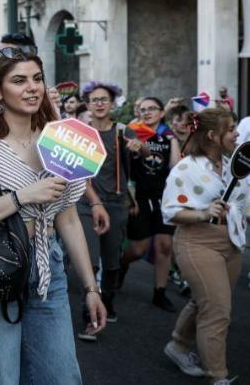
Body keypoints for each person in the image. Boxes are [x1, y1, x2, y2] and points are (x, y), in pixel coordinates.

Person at [0, 46, 106, 384]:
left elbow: (69, 219)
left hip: (49, 270)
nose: (32, 87)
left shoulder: (60, 140)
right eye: (19, 80)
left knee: (62, 378)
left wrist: (91, 287)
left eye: (37, 79)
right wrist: (22, 196)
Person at [161, 109, 247, 384]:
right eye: (231, 129)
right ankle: (217, 377)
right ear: (212, 135)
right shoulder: (187, 169)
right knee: (218, 310)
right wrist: (204, 211)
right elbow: (170, 211)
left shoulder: (234, 163)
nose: (237, 134)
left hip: (231, 242)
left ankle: (177, 346)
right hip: (197, 242)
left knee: (205, 302)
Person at [76, 81, 141, 340]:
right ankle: (89, 316)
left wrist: (140, 147)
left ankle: (109, 299)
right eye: (95, 100)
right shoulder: (79, 132)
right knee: (90, 260)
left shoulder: (124, 131)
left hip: (115, 203)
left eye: (104, 99)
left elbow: (143, 151)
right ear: (88, 105)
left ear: (112, 104)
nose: (100, 103)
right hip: (84, 202)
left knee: (112, 261)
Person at [119, 97, 182, 312]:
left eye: (152, 109)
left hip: (164, 198)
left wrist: (175, 139)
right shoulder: (132, 132)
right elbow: (123, 166)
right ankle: (120, 266)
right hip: (140, 198)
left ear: (162, 112)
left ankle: (159, 293)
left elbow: (175, 167)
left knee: (164, 246)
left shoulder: (168, 136)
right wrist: (129, 197)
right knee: (137, 249)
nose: (147, 113)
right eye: (143, 109)